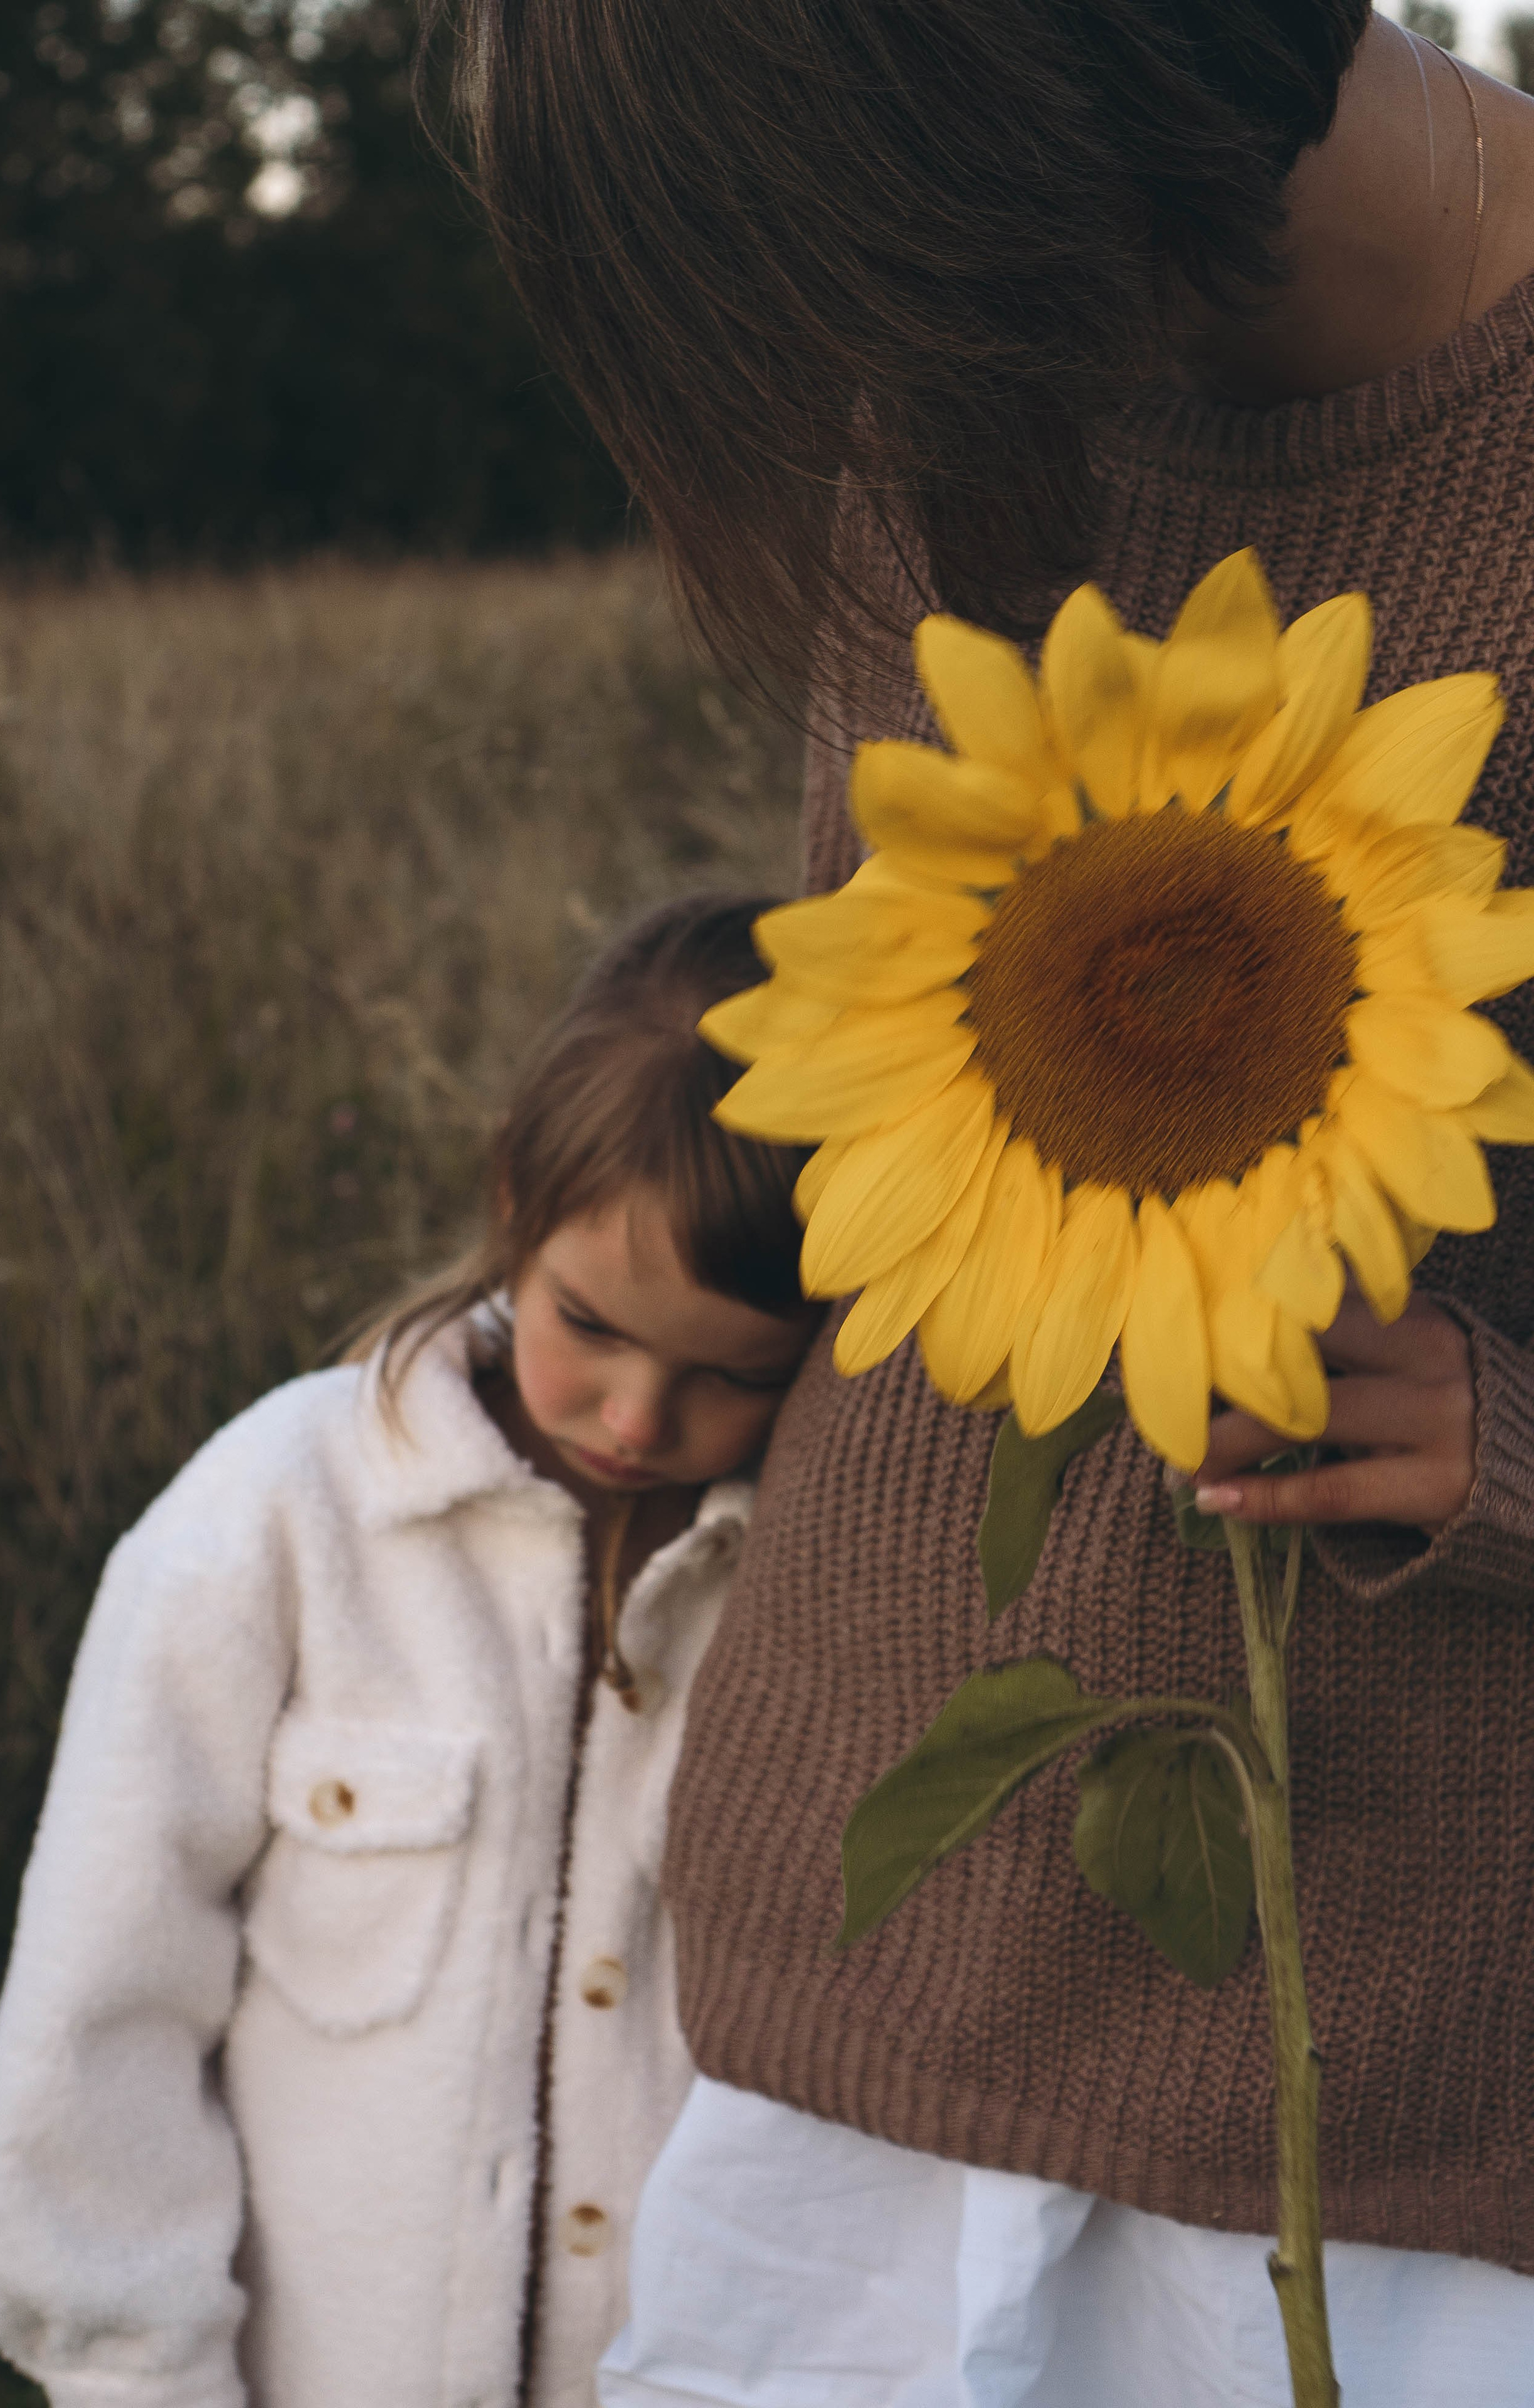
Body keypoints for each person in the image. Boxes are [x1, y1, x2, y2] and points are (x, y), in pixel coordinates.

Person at [434, 4, 1534, 2401]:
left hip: (1400, 2104)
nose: (839, 388)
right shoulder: (946, 393)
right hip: (857, 2009)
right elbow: (892, 1024)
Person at [0, 894, 820, 2408]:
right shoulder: (271, 1520)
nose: (633, 1416)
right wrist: (138, 2372)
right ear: (510, 1195)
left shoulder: (818, 1584)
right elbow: (104, 2006)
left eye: (729, 1376)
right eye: (589, 1323)